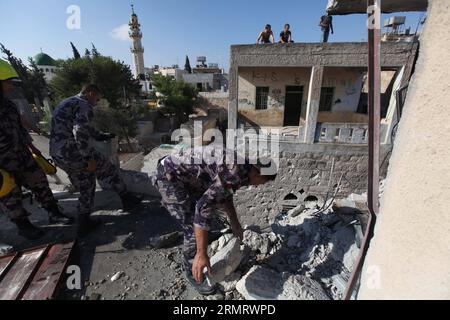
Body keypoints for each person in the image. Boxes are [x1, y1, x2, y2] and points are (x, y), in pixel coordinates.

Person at [154, 145, 277, 295]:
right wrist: (202, 253)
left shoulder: (243, 168)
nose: (259, 186)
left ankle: (202, 241)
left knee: (206, 216)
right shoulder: (234, 173)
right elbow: (203, 206)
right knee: (192, 227)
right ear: (259, 175)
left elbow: (225, 194)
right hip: (169, 177)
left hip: (188, 177)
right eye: (263, 183)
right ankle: (193, 269)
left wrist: (234, 221)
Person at [49, 84, 141, 237]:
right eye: (97, 99)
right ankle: (125, 200)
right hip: (73, 152)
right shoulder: (84, 104)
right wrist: (88, 158)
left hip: (58, 154)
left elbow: (78, 126)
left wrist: (99, 135)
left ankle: (85, 221)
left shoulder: (68, 102)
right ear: (90, 93)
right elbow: (79, 131)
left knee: (86, 182)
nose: (97, 102)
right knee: (105, 172)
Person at [0, 59, 72, 240]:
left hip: (22, 154)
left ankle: (54, 213)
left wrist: (33, 148)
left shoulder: (8, 105)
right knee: (11, 196)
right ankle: (24, 226)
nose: (10, 86)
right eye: (7, 82)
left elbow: (19, 128)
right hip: (3, 164)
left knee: (40, 182)